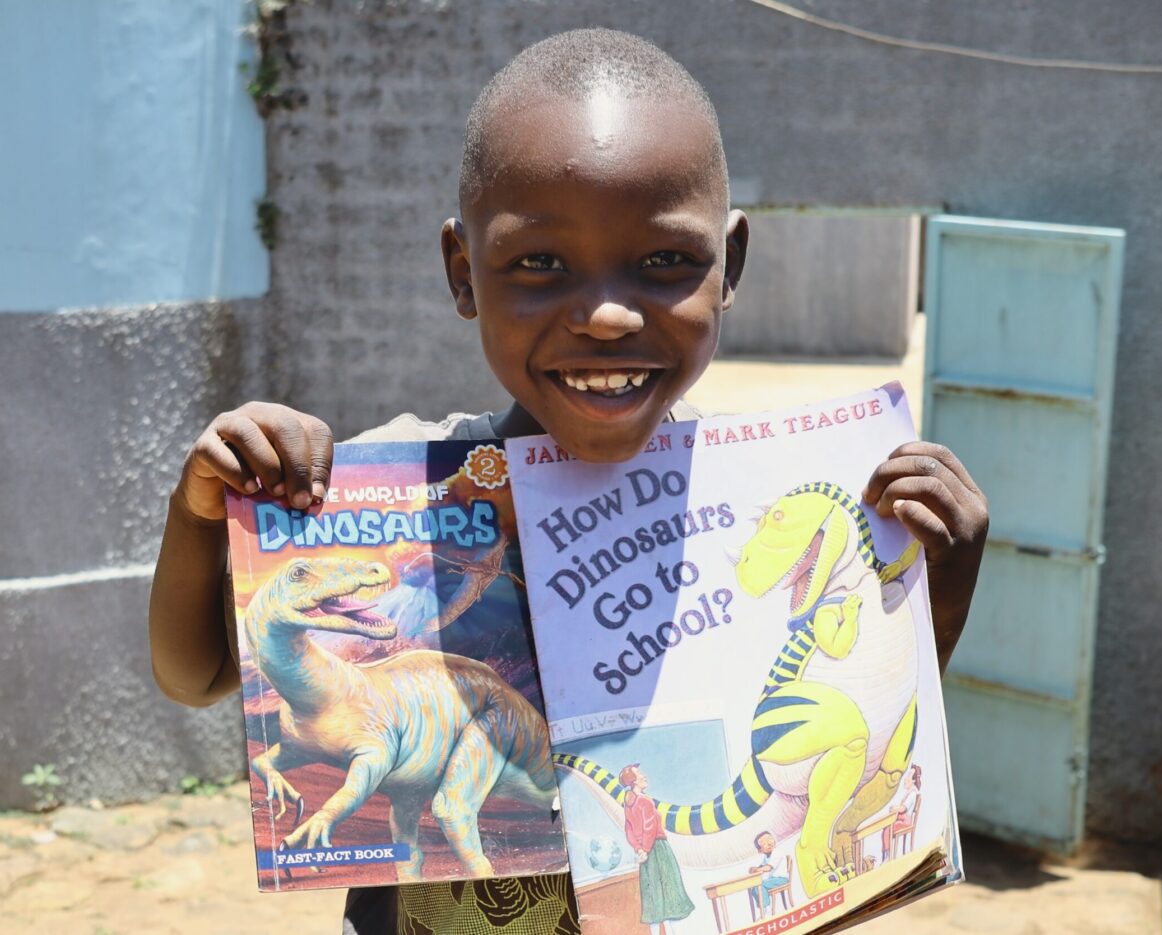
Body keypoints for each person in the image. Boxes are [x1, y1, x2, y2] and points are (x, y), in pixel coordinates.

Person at [148, 27, 988, 935]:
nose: (607, 313)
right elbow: (196, 673)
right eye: (540, 263)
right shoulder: (394, 495)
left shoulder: (761, 521)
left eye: (664, 260)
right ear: (464, 274)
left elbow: (841, 746)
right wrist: (199, 513)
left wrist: (932, 598)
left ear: (730, 266)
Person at [619, 764, 694, 934]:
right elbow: (650, 826)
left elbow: (629, 829)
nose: (644, 776)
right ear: (633, 781)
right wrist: (645, 849)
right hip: (658, 849)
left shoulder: (628, 803)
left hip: (645, 854)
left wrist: (639, 850)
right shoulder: (645, 800)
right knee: (670, 895)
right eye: (639, 774)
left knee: (653, 896)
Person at [881, 764, 923, 861]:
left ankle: (888, 856)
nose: (905, 779)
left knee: (888, 830)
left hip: (905, 822)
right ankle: (885, 855)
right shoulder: (909, 793)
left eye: (908, 776)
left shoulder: (913, 793)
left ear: (913, 780)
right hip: (901, 820)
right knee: (885, 828)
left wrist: (895, 808)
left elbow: (903, 808)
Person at [747, 831, 790, 917]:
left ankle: (767, 909)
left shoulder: (777, 852)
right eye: (764, 843)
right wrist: (754, 869)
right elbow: (762, 866)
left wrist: (758, 869)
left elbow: (768, 868)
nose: (769, 843)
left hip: (782, 879)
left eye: (770, 839)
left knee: (761, 885)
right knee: (754, 889)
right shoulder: (767, 856)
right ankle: (763, 908)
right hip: (774, 879)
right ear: (760, 850)